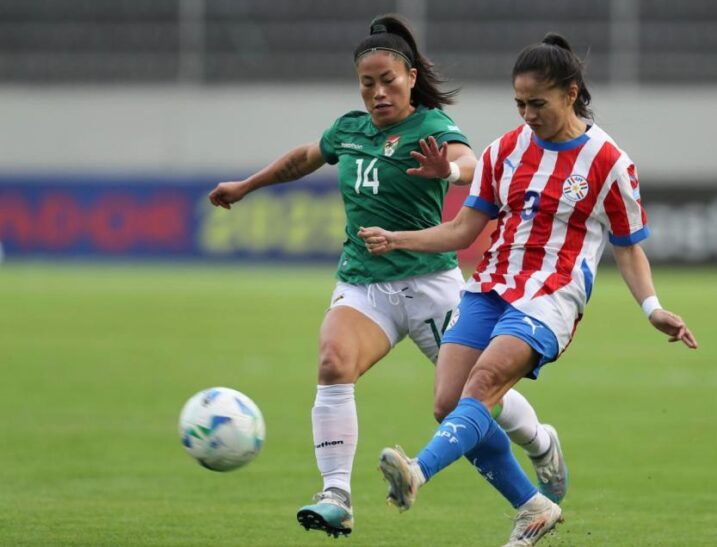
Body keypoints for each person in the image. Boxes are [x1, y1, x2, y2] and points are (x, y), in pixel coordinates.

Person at [208, 15, 567, 539]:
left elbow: (469, 161)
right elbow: (305, 158)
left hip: (431, 287)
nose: (378, 93)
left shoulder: (431, 129)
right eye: (367, 83)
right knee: (333, 362)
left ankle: (538, 441)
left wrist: (449, 171)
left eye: (388, 81)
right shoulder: (349, 130)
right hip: (364, 283)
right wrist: (247, 185)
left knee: (472, 398)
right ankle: (336, 496)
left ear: (411, 78)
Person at [359, 32, 698, 546]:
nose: (527, 114)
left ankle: (417, 472)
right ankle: (533, 506)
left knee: (484, 383)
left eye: (537, 103)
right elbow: (463, 231)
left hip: (553, 296)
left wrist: (652, 307)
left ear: (570, 92)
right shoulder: (503, 152)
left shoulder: (609, 164)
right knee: (449, 403)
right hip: (490, 286)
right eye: (519, 104)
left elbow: (628, 247)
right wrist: (398, 238)